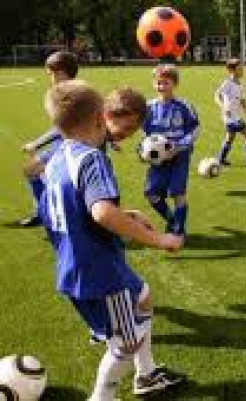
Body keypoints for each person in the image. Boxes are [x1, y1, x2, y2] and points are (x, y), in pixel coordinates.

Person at [40, 80, 185, 401]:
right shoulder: (92, 158)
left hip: (75, 264)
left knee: (144, 297)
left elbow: (67, 209)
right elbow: (103, 214)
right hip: (100, 270)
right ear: (99, 119)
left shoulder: (56, 159)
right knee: (126, 343)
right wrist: (158, 239)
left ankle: (146, 375)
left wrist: (127, 213)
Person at [19, 51, 79, 227]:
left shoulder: (72, 94)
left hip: (75, 145)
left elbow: (62, 127)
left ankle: (49, 213)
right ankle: (44, 212)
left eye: (53, 73)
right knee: (33, 171)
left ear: (64, 72)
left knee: (38, 172)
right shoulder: (64, 91)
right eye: (49, 74)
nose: (51, 78)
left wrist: (36, 144)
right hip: (66, 142)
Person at [142, 64, 199, 236]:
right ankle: (172, 220)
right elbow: (145, 134)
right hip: (158, 158)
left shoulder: (184, 106)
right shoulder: (149, 107)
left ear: (174, 84)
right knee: (151, 193)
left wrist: (180, 146)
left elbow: (195, 129)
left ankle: (179, 231)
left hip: (179, 155)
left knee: (177, 193)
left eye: (165, 83)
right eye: (158, 83)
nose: (161, 87)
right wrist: (143, 150)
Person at [214, 58, 246, 168]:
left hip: (235, 116)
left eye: (242, 69)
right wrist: (223, 107)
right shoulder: (227, 83)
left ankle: (220, 159)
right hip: (231, 118)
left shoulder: (240, 83)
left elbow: (242, 100)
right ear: (231, 70)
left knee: (229, 138)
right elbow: (217, 96)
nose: (242, 71)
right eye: (239, 69)